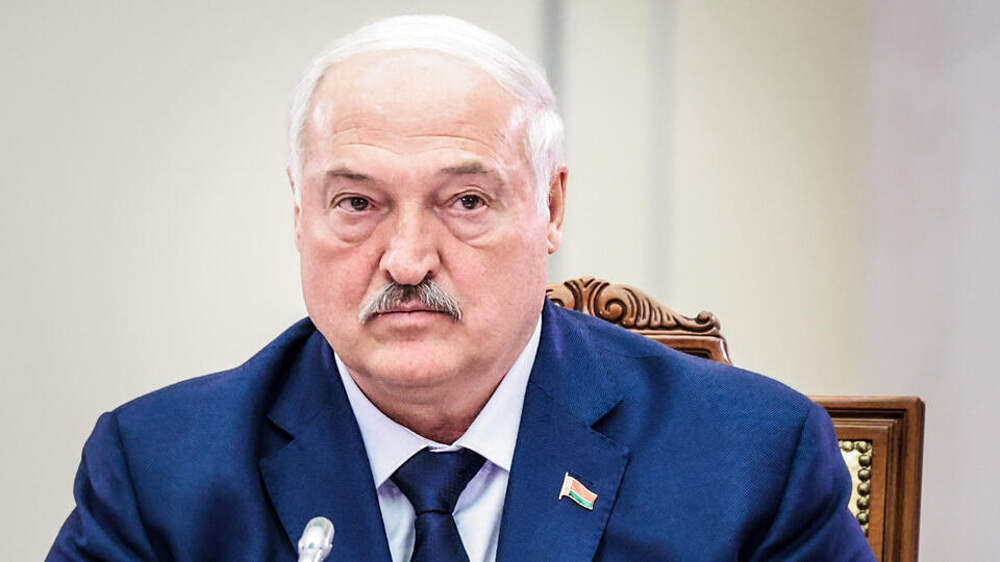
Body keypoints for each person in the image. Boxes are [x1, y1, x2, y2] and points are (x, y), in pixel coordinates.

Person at [48, 14, 875, 562]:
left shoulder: (750, 461)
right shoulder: (159, 473)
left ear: (551, 209)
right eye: (358, 204)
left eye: (466, 201)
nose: (408, 260)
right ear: (299, 216)